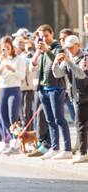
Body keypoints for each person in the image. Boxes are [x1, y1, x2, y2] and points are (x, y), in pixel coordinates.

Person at [31, 24, 72, 160]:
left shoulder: (58, 47)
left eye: (46, 35)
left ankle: (67, 149)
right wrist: (39, 52)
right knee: (49, 120)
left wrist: (46, 50)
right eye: (41, 36)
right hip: (44, 89)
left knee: (59, 119)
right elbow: (35, 65)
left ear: (52, 34)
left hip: (56, 88)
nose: (43, 38)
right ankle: (55, 148)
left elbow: (57, 63)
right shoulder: (42, 50)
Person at [53, 35, 88, 163]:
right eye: (66, 48)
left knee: (80, 125)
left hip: (84, 95)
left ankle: (83, 153)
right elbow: (57, 74)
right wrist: (55, 62)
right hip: (76, 96)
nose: (68, 50)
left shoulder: (84, 56)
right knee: (81, 125)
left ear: (77, 45)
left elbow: (81, 74)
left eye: (71, 47)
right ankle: (83, 151)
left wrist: (69, 61)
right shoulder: (69, 58)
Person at [0, 36, 26, 155]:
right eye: (3, 48)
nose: (5, 49)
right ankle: (8, 141)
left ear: (12, 47)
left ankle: (16, 142)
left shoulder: (19, 59)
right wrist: (0, 61)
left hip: (14, 89)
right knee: (2, 116)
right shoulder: (0, 59)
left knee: (13, 116)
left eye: (7, 47)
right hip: (2, 89)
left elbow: (22, 76)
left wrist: (13, 70)